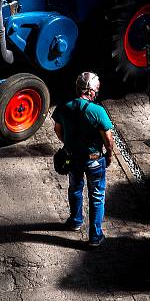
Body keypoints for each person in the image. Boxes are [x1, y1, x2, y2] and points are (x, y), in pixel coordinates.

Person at [52, 71, 115, 247]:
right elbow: (108, 139)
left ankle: (75, 221)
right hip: (94, 160)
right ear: (92, 91)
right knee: (96, 196)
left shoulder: (64, 106)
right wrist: (109, 155)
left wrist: (68, 143)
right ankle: (95, 237)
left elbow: (57, 129)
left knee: (75, 189)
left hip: (74, 159)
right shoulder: (98, 111)